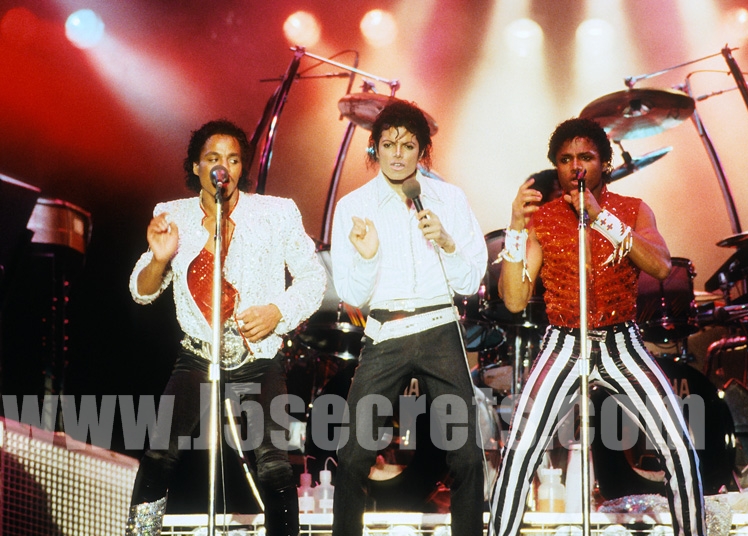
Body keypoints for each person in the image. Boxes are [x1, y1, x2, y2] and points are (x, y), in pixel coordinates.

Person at [488, 118, 705, 536]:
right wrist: (515, 227)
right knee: (518, 451)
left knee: (678, 447)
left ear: (604, 163)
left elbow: (661, 265)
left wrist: (601, 217)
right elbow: (514, 299)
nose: (576, 166)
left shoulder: (633, 209)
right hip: (563, 343)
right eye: (565, 159)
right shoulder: (543, 220)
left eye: (585, 157)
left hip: (622, 342)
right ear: (556, 166)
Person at [126, 119, 326, 536]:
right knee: (160, 454)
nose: (224, 168)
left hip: (258, 354)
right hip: (198, 355)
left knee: (273, 463)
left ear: (241, 168)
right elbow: (141, 291)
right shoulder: (172, 215)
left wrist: (277, 311)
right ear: (196, 166)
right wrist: (159, 259)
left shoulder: (276, 212)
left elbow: (313, 277)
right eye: (213, 158)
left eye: (233, 160)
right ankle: (140, 533)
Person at [329, 99, 488, 536]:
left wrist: (448, 244)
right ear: (375, 148)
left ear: (423, 151)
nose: (398, 154)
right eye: (388, 144)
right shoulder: (354, 206)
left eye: (408, 145)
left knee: (466, 456)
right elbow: (352, 294)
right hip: (386, 332)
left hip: (439, 327)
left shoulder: (449, 199)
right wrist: (368, 257)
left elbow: (469, 281)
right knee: (353, 454)